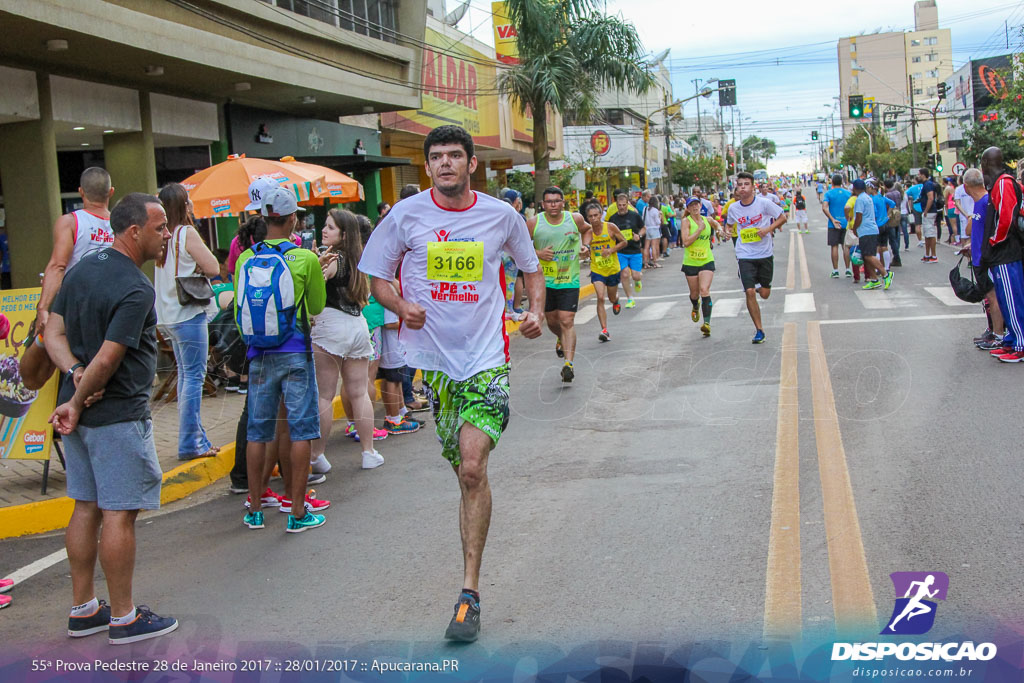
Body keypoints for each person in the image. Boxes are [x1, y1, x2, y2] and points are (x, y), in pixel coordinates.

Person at [358, 124, 544, 642]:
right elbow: (375, 276)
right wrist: (400, 305)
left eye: (454, 156)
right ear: (428, 166)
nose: (445, 164)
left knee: (471, 468)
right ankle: (470, 583)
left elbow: (531, 270)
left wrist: (535, 310)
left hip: (486, 359)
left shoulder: (501, 216)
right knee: (460, 469)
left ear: (471, 165)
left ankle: (469, 592)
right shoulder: (405, 216)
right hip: (434, 366)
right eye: (436, 157)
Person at [46, 192, 178, 644]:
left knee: (86, 506)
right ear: (133, 231)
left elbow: (52, 332)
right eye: (160, 227)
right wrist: (81, 393)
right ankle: (123, 617)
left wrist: (72, 381)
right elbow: (108, 358)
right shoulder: (135, 287)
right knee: (119, 514)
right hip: (116, 416)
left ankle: (83, 608)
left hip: (78, 416)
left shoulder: (82, 270)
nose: (166, 235)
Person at [235, 187, 327, 533]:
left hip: (258, 354)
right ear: (292, 220)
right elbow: (316, 306)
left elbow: (239, 311)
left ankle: (255, 510)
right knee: (300, 430)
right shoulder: (305, 259)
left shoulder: (246, 259)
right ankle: (298, 511)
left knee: (258, 432)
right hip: (296, 353)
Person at [309, 209, 383, 472]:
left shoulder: (333, 259)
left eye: (330, 227)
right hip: (356, 325)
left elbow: (316, 285)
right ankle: (368, 451)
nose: (324, 230)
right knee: (359, 391)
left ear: (343, 234)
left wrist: (315, 266)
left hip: (330, 325)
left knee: (324, 395)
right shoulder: (357, 259)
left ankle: (317, 455)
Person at [153, 183, 220, 461]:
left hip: (167, 317)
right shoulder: (185, 233)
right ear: (183, 206)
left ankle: (195, 438)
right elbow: (214, 268)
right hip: (188, 314)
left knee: (186, 376)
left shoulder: (161, 237)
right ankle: (190, 442)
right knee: (194, 377)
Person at [36, 168, 115, 336]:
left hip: (76, 305)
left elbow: (58, 266)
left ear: (81, 191)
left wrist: (43, 308)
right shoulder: (121, 224)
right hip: (113, 304)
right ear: (111, 192)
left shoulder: (71, 222)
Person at [528, 186, 590, 383]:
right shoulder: (534, 223)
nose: (553, 205)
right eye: (549, 201)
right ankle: (559, 339)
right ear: (543, 204)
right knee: (553, 321)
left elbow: (587, 230)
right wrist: (538, 254)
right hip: (544, 282)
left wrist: (585, 246)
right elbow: (517, 245)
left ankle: (568, 364)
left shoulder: (575, 219)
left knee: (567, 320)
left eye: (557, 201)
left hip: (569, 279)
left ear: (563, 202)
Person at [726, 172, 787, 343]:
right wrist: (725, 231)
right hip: (744, 254)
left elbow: (783, 217)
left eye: (746, 184)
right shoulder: (733, 208)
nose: (743, 187)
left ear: (753, 187)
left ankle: (759, 284)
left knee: (765, 294)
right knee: (749, 291)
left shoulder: (765, 204)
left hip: (765, 253)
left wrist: (768, 229)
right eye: (740, 184)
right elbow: (729, 224)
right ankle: (759, 330)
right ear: (736, 188)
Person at [979, 147, 1024, 362]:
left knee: (1012, 299)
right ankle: (1011, 340)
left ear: (987, 163)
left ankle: (1020, 343)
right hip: (1001, 252)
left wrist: (994, 241)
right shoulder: (998, 183)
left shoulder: (1004, 182)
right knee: (1006, 299)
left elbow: (1006, 217)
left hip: (1005, 251)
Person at [960, 169, 1005, 351]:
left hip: (987, 259)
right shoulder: (979, 203)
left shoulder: (988, 202)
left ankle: (999, 335)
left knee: (994, 297)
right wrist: (972, 245)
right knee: (988, 297)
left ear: (965, 186)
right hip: (978, 257)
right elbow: (974, 230)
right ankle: (993, 331)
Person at [582, 201, 626, 342]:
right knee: (600, 297)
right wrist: (584, 250)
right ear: (587, 218)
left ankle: (616, 300)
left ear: (601, 215)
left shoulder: (611, 227)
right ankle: (604, 330)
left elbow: (624, 242)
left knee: (611, 297)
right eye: (590, 216)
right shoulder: (589, 232)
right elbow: (585, 245)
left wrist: (611, 250)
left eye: (596, 215)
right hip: (597, 270)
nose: (594, 219)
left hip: (612, 268)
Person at [680, 196, 723, 337]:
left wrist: (719, 230)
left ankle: (706, 323)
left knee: (704, 290)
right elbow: (686, 242)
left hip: (706, 260)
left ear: (700, 205)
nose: (695, 207)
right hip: (691, 262)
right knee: (694, 294)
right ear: (688, 208)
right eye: (691, 205)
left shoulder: (707, 220)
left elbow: (716, 224)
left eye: (696, 204)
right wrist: (699, 230)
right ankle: (695, 305)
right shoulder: (686, 222)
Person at [850, 179, 894, 290]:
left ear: (855, 188)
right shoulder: (868, 197)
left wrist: (855, 228)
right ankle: (874, 279)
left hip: (866, 230)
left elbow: (859, 216)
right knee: (866, 256)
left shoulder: (860, 199)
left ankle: (886, 274)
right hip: (870, 229)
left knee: (869, 256)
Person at [608, 192, 645, 307]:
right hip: (620, 251)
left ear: (628, 204)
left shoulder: (634, 215)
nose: (622, 207)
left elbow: (643, 228)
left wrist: (639, 235)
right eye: (620, 205)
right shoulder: (612, 219)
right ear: (616, 205)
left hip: (634, 250)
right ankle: (630, 299)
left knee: (635, 276)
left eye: (624, 205)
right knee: (624, 275)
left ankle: (638, 280)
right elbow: (609, 233)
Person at [822, 174, 853, 278]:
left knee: (834, 246)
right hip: (846, 223)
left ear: (832, 183)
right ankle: (848, 269)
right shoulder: (848, 193)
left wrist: (832, 218)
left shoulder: (829, 194)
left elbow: (824, 207)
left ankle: (835, 270)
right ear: (842, 182)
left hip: (833, 224)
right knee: (846, 247)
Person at [919, 170, 940, 262]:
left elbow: (930, 198)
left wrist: (926, 210)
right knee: (927, 234)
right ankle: (927, 254)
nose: (918, 176)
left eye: (919, 174)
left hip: (929, 212)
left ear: (923, 175)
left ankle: (934, 255)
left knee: (930, 233)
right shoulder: (927, 184)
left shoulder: (927, 185)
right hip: (928, 211)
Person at [883, 179, 904, 267]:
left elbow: (887, 206)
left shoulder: (888, 195)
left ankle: (896, 257)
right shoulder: (898, 193)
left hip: (891, 217)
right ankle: (896, 254)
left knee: (892, 239)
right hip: (897, 215)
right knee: (897, 235)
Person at [641, 193, 664, 267]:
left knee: (646, 247)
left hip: (647, 228)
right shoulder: (655, 210)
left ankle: (646, 263)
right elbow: (658, 222)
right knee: (654, 246)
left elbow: (642, 219)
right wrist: (660, 216)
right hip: (654, 229)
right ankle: (655, 262)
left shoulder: (645, 209)